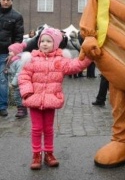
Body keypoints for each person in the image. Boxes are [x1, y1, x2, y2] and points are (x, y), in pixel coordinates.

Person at [18, 27, 91, 170]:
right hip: (34, 99)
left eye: (49, 41)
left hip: (51, 100)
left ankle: (49, 153)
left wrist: (89, 58)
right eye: (42, 41)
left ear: (56, 44)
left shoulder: (60, 60)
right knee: (36, 128)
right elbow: (24, 77)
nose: (45, 44)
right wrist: (27, 92)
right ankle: (36, 154)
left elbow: (75, 65)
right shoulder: (31, 59)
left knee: (49, 129)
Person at [0, 0, 24, 117]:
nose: (5, 2)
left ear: (11, 1)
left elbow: (18, 37)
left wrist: (13, 52)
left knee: (2, 81)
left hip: (5, 54)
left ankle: (2, 107)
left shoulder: (17, 16)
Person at [7, 43, 28, 118]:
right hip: (15, 81)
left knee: (18, 96)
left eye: (11, 51)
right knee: (17, 96)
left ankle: (21, 110)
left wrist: (13, 83)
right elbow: (12, 70)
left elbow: (18, 73)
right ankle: (22, 109)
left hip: (19, 83)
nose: (9, 53)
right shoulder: (12, 60)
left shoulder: (19, 61)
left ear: (16, 51)